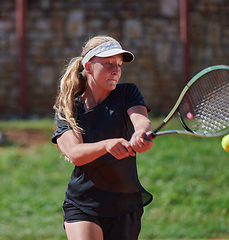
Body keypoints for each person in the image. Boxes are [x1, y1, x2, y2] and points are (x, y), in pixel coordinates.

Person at [52, 36, 154, 240]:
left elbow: (141, 122)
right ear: (88, 66)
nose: (116, 70)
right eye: (108, 64)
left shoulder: (128, 93)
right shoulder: (68, 108)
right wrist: (107, 145)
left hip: (125, 205)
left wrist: (140, 134)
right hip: (83, 203)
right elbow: (75, 154)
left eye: (119, 65)